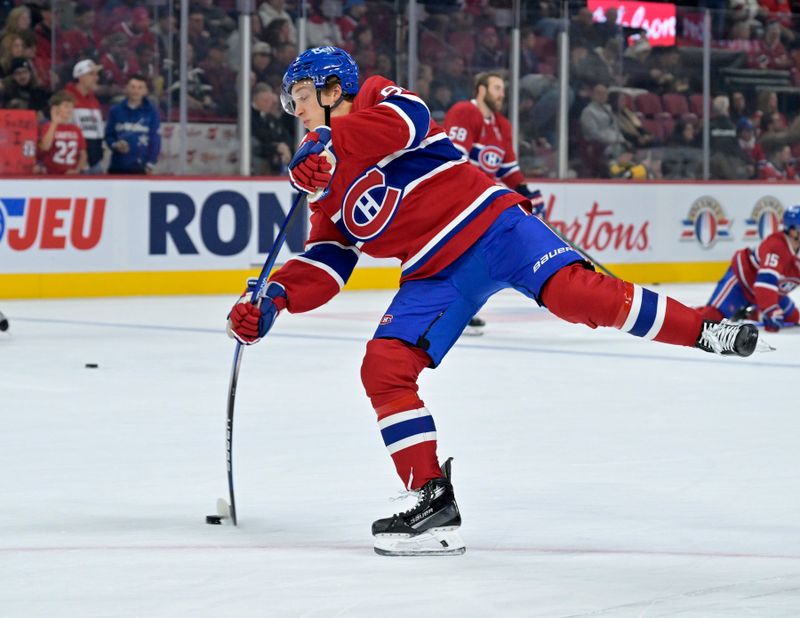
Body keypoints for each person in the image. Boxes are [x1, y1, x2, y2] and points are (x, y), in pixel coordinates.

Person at [226, 46, 759, 557]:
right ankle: (432, 500)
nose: (292, 107)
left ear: (332, 87)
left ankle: (705, 328)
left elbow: (409, 120)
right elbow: (328, 259)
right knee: (383, 366)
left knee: (579, 296)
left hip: (494, 224)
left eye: (298, 94)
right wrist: (273, 299)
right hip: (434, 273)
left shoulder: (372, 97)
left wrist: (329, 139)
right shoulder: (321, 182)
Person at [444, 71, 546, 334]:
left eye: (503, 89)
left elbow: (508, 168)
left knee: (476, 256)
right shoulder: (464, 111)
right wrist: (490, 189)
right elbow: (456, 160)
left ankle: (460, 310)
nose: (502, 94)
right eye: (497, 88)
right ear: (480, 89)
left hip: (481, 201)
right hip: (456, 199)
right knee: (460, 256)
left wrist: (525, 191)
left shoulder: (501, 124)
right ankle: (449, 311)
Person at [700, 206, 800, 332]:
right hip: (742, 283)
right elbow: (765, 283)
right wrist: (770, 309)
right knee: (710, 319)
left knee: (792, 318)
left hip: (769, 292)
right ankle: (680, 318)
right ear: (792, 231)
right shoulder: (776, 246)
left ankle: (752, 311)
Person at [104, 74, 161, 174]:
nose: (136, 91)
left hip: (141, 167)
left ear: (145, 91)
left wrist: (150, 164)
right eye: (133, 87)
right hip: (117, 166)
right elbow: (109, 135)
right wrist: (115, 145)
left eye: (140, 87)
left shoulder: (152, 112)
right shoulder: (115, 110)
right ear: (126, 88)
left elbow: (155, 140)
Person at [65, 59, 105, 174]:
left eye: (97, 74)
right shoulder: (67, 98)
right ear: (80, 76)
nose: (96, 78)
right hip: (76, 164)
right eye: (92, 74)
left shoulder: (94, 100)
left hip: (95, 161)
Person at [37, 90, 87, 175]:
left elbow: (83, 154)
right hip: (51, 175)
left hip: (70, 175)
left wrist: (77, 170)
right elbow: (45, 147)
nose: (70, 110)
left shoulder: (76, 129)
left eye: (71, 107)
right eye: (66, 106)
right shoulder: (47, 127)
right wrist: (54, 123)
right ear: (55, 108)